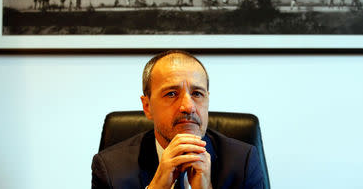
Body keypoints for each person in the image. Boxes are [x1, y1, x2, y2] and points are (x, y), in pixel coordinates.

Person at [91, 50, 264, 189]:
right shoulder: (111, 168)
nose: (188, 107)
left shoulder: (242, 161)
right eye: (171, 94)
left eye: (197, 94)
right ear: (147, 107)